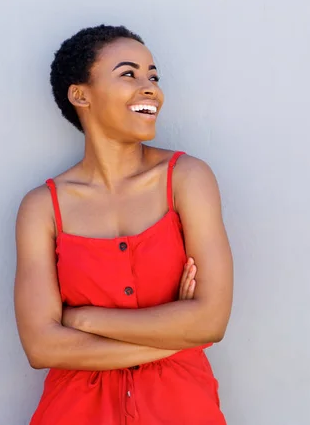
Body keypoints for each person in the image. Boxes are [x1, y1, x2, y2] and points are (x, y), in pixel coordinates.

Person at [14, 24, 233, 424]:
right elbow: (42, 347)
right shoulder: (41, 208)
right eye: (129, 74)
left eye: (153, 76)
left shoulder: (187, 178)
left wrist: (81, 319)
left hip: (184, 410)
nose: (150, 87)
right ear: (81, 95)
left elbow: (212, 320)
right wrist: (177, 333)